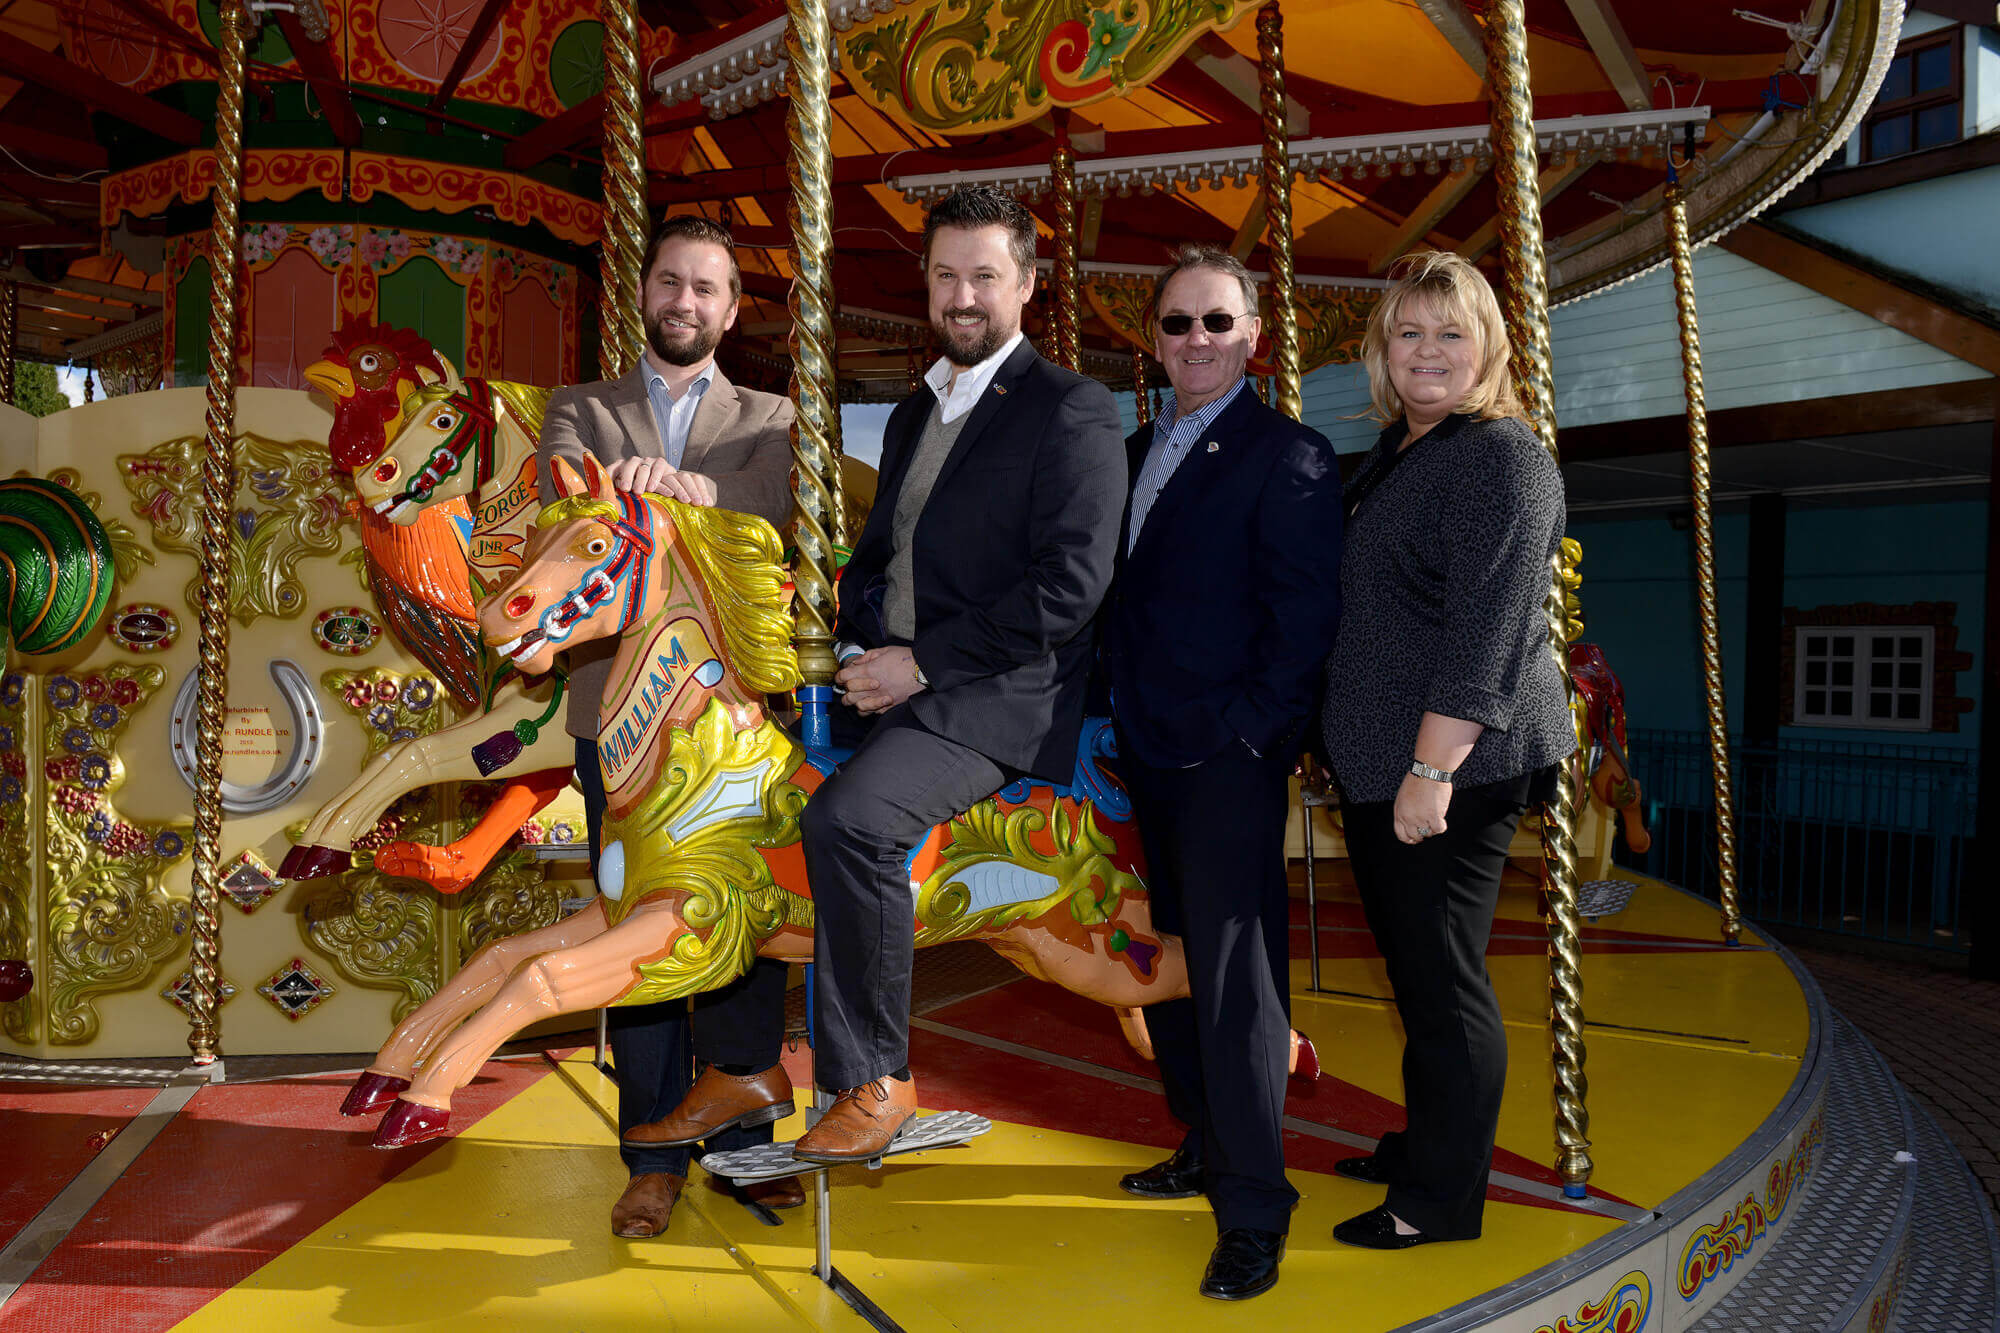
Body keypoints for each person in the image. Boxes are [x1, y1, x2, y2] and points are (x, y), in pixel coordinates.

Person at [791, 185, 1126, 1164]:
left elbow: (1072, 582)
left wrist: (921, 663)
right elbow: (883, 556)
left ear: (1024, 283)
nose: (963, 293)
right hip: (894, 681)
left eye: (984, 274)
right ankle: (745, 1071)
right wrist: (850, 639)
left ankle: (874, 1079)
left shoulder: (1071, 408)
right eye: (945, 275)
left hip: (994, 694)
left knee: (847, 819)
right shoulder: (910, 415)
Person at [537, 214, 800, 1239]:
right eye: (670, 284)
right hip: (625, 716)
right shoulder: (582, 408)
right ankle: (651, 1153)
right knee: (637, 937)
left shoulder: (772, 414)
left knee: (744, 923)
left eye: (706, 289)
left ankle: (747, 1137)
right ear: (640, 295)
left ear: (732, 310)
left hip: (730, 715)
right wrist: (628, 496)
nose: (685, 303)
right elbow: (564, 512)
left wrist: (691, 492)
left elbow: (778, 512)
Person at [1099, 245, 1344, 1301]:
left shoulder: (1285, 453)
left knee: (1240, 983)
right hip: (1137, 746)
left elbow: (1302, 621)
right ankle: (1202, 1140)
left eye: (1214, 322)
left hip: (1222, 754)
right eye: (1175, 324)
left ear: (1251, 336)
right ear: (1151, 342)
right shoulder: (1128, 450)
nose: (1194, 340)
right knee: (1165, 960)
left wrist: (1250, 739)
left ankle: (1253, 1207)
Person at [1320, 249, 1573, 1250]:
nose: (1427, 352)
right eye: (1408, 333)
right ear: (1383, 352)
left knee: (1438, 982)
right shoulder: (1408, 449)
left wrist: (1430, 770)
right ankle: (1429, 1143)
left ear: (1488, 348)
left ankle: (1438, 1200)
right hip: (1388, 759)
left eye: (1449, 333)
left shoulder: (1497, 456)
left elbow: (1489, 632)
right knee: (1417, 972)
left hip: (1444, 767)